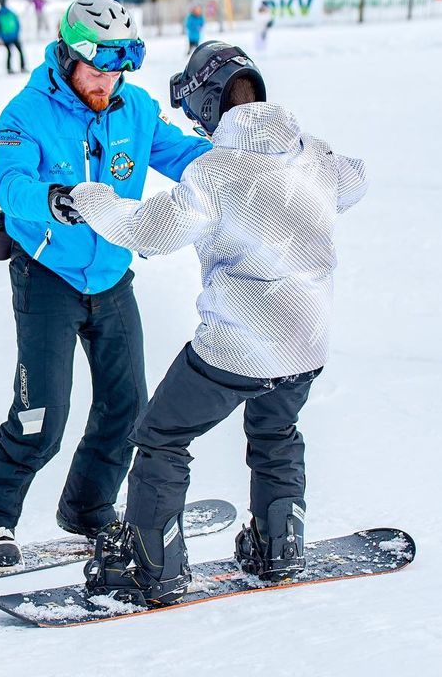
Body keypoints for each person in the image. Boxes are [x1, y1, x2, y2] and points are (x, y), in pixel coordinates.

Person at [70, 41, 368, 605]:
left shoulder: (217, 173)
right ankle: (279, 546)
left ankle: (151, 567)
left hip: (239, 343)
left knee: (161, 436)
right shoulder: (312, 158)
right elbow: (356, 178)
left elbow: (150, 233)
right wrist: (308, 167)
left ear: (208, 105)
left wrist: (94, 201)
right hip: (307, 341)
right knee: (276, 431)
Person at [0, 0, 211, 571]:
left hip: (113, 275)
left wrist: (244, 158)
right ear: (69, 58)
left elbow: (188, 157)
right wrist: (53, 200)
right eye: (97, 68)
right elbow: (11, 182)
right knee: (41, 415)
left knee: (127, 408)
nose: (108, 79)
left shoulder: (136, 108)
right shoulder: (26, 114)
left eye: (118, 67)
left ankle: (89, 507)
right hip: (47, 273)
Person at [0, 0, 24, 74]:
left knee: (9, 53)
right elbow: (17, 24)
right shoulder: (11, 12)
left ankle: (9, 68)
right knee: (20, 51)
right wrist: (17, 33)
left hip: (5, 37)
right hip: (14, 36)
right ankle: (22, 67)